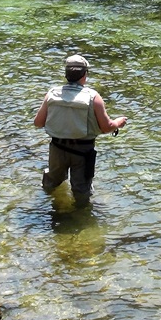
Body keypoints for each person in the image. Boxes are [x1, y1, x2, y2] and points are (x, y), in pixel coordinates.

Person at [34, 54, 128, 206]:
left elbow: (38, 123)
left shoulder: (52, 93)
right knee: (81, 191)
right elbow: (106, 127)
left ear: (66, 74)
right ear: (84, 75)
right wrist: (119, 122)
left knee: (52, 183)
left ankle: (51, 207)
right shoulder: (93, 97)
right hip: (83, 152)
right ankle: (79, 219)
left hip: (57, 148)